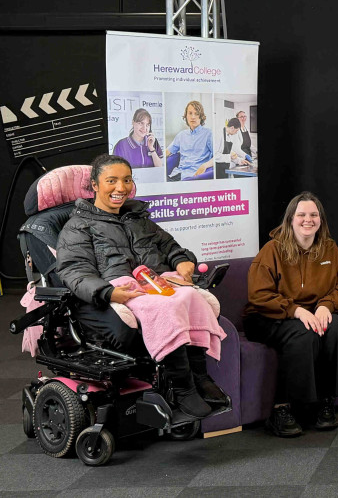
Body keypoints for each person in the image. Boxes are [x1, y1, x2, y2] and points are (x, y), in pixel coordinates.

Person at [55, 154, 228, 418]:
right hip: (120, 289)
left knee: (194, 299)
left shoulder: (138, 218)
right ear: (95, 185)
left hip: (156, 282)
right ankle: (183, 389)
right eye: (111, 181)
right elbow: (74, 271)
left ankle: (200, 376)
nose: (120, 188)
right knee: (165, 307)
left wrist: (182, 261)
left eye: (126, 180)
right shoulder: (78, 227)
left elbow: (171, 247)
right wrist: (108, 292)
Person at [244, 192, 338, 437]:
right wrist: (295, 311)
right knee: (303, 334)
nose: (308, 219)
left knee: (335, 327)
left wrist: (326, 305)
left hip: (313, 313)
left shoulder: (329, 249)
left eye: (314, 215)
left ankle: (325, 403)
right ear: (290, 219)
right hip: (268, 316)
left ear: (321, 220)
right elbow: (259, 295)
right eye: (301, 214)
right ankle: (284, 408)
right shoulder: (272, 249)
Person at [166, 100, 214, 180]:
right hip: (176, 174)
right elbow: (168, 151)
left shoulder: (208, 134)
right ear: (186, 116)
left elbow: (218, 155)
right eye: (190, 113)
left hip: (194, 176)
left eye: (196, 113)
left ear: (201, 116)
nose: (193, 117)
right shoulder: (181, 135)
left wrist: (205, 165)